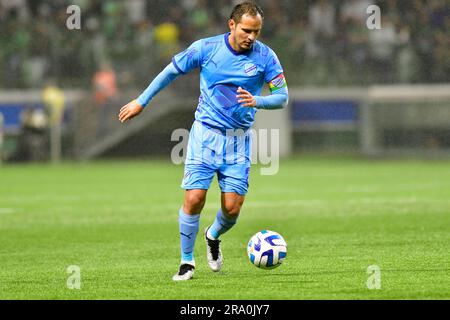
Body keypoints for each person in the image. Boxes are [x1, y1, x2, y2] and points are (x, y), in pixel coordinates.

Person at [118, 1, 288, 281]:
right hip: (205, 135)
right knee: (195, 198)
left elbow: (282, 97)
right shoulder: (205, 49)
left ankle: (213, 235)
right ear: (231, 25)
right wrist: (141, 101)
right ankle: (187, 262)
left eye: (257, 31)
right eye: (247, 30)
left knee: (232, 209)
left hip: (238, 140)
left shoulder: (266, 57)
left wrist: (257, 100)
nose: (252, 37)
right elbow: (170, 71)